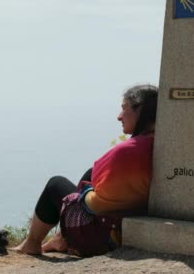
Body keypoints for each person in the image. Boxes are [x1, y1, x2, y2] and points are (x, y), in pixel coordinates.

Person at [12, 84, 158, 256]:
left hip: (101, 238)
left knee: (56, 184)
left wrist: (85, 191)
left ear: (140, 109)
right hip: (131, 224)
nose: (119, 117)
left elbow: (96, 202)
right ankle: (59, 239)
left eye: (124, 108)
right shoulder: (160, 144)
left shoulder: (129, 151)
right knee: (89, 174)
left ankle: (32, 244)